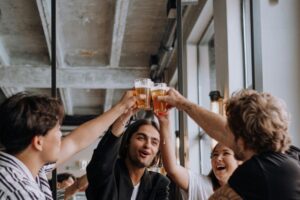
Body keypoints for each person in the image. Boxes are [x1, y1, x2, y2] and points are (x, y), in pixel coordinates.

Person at [158, 88, 300, 199]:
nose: (227, 136)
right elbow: (221, 129)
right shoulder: (292, 155)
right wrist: (181, 102)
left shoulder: (257, 170)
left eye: (231, 130)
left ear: (242, 138)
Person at [0, 91, 136, 199]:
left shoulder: (26, 167)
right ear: (38, 142)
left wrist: (121, 108)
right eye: (58, 130)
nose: (61, 136)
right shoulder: (21, 193)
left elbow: (75, 141)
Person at [85, 110, 170, 200]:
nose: (147, 145)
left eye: (154, 142)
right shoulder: (109, 173)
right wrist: (125, 116)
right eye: (141, 138)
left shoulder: (158, 183)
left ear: (157, 151)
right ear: (127, 142)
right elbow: (102, 164)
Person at [157, 114, 241, 200]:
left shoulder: (250, 190)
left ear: (239, 160)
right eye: (215, 154)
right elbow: (172, 168)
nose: (218, 158)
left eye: (226, 153)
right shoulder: (202, 185)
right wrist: (164, 124)